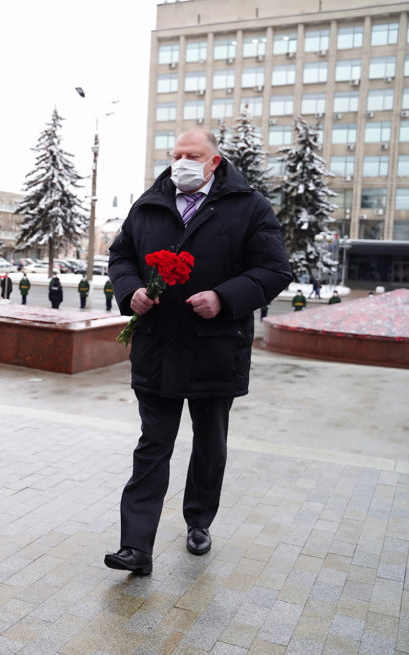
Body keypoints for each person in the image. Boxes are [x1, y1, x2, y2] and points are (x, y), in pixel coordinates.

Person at [105, 129, 291, 576]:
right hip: (157, 348)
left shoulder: (249, 206)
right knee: (152, 446)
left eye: (193, 155)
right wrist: (131, 291)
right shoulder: (150, 203)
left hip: (214, 350)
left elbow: (274, 269)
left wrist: (224, 298)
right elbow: (121, 257)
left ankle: (199, 520)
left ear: (214, 162)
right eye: (176, 155)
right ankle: (136, 546)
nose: (182, 162)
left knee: (209, 445)